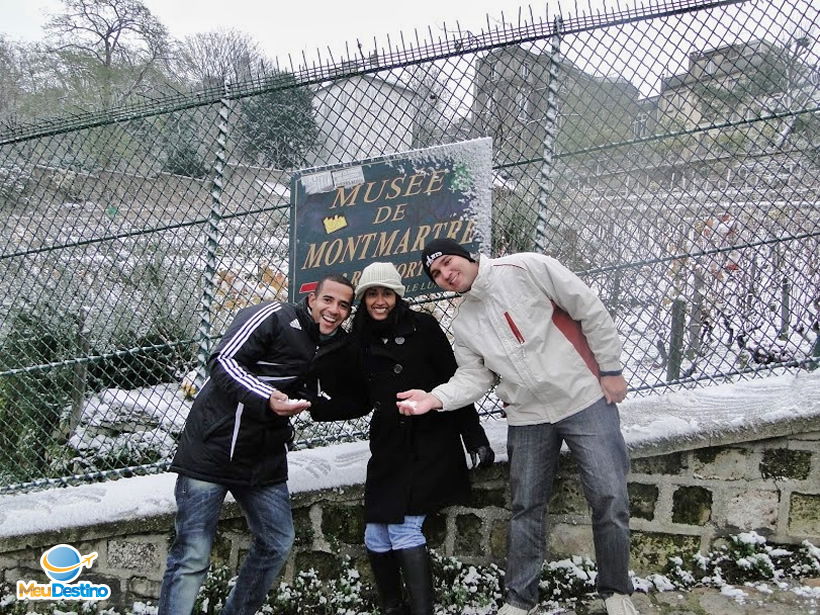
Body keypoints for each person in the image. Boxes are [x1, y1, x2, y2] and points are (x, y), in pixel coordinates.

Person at [396, 239, 637, 615]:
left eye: (448, 262)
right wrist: (435, 398)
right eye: (436, 274)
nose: (446, 274)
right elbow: (474, 377)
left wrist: (610, 369)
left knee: (609, 495)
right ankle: (520, 599)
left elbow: (588, 308)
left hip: (583, 397)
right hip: (528, 416)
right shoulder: (464, 322)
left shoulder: (527, 267)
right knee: (526, 506)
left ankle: (616, 590)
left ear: (468, 255)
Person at [158, 274, 358, 615]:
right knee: (192, 555)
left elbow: (329, 392)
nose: (334, 309)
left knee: (277, 541)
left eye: (343, 305)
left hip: (263, 458)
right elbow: (222, 361)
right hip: (213, 448)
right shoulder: (274, 315)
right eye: (328, 299)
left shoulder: (337, 345)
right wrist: (267, 398)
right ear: (312, 299)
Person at [311, 261, 494, 615]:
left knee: (404, 529)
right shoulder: (358, 339)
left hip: (432, 438)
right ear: (363, 299)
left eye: (387, 294)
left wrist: (475, 438)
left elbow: (453, 381)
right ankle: (393, 608)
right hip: (388, 446)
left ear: (398, 296)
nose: (380, 301)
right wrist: (316, 406)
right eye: (372, 294)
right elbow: (360, 400)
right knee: (375, 535)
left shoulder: (423, 327)